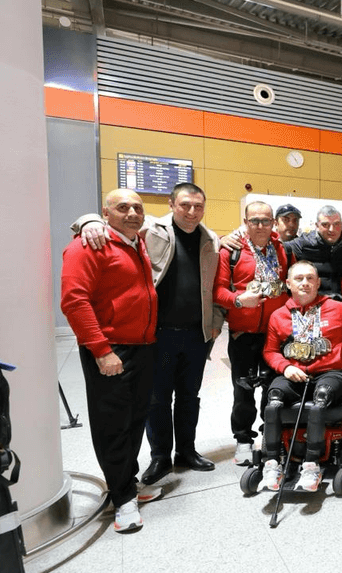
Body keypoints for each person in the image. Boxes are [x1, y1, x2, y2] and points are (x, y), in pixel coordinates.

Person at [73, 183, 224, 486]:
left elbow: (215, 284)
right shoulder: (150, 229)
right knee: (157, 399)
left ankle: (186, 451)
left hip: (196, 335)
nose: (191, 211)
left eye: (198, 206)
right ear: (171, 204)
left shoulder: (212, 239)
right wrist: (87, 221)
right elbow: (114, 225)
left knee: (189, 397)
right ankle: (160, 456)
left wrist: (216, 322)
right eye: (185, 205)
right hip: (158, 335)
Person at [61, 189, 160, 533]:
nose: (132, 213)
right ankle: (122, 499)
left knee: (135, 419)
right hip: (111, 349)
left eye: (137, 207)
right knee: (112, 425)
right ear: (105, 213)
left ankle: (127, 483)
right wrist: (102, 351)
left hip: (143, 346)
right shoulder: (88, 245)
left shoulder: (136, 242)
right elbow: (74, 301)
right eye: (122, 207)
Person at [261, 262, 342, 492]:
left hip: (332, 373)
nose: (305, 283)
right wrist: (284, 367)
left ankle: (312, 465)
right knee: (273, 398)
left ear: (318, 283)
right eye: (299, 278)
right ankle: (271, 464)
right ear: (288, 284)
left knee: (321, 397)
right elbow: (270, 351)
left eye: (310, 278)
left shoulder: (337, 308)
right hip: (295, 374)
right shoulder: (278, 316)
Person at [213, 201, 291, 465]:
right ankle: (243, 439)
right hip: (243, 334)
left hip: (275, 335)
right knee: (243, 391)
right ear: (245, 222)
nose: (260, 226)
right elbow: (218, 291)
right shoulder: (231, 251)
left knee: (274, 388)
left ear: (273, 223)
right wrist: (238, 300)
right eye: (254, 220)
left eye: (266, 221)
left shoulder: (283, 250)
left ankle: (271, 435)